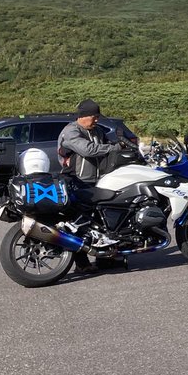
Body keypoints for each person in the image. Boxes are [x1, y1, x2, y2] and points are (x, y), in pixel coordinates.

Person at [57, 99, 128, 273]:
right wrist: (114, 148)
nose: (96, 120)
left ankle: (105, 258)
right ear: (83, 116)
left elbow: (106, 146)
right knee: (79, 223)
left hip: (96, 181)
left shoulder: (96, 131)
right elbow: (88, 150)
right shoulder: (71, 131)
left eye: (97, 117)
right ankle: (81, 264)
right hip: (76, 181)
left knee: (100, 222)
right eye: (94, 117)